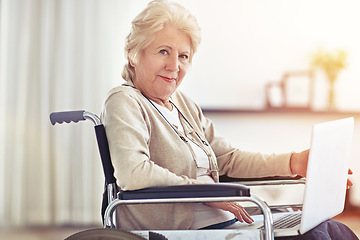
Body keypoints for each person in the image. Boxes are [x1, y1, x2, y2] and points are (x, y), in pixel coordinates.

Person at [101, 0, 358, 239]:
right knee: (316, 236)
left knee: (334, 229)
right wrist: (204, 194)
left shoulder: (184, 105)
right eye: (163, 51)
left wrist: (295, 162)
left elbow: (229, 159)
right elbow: (133, 173)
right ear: (134, 54)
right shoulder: (125, 101)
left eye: (183, 56)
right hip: (187, 230)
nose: (174, 66)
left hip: (230, 222)